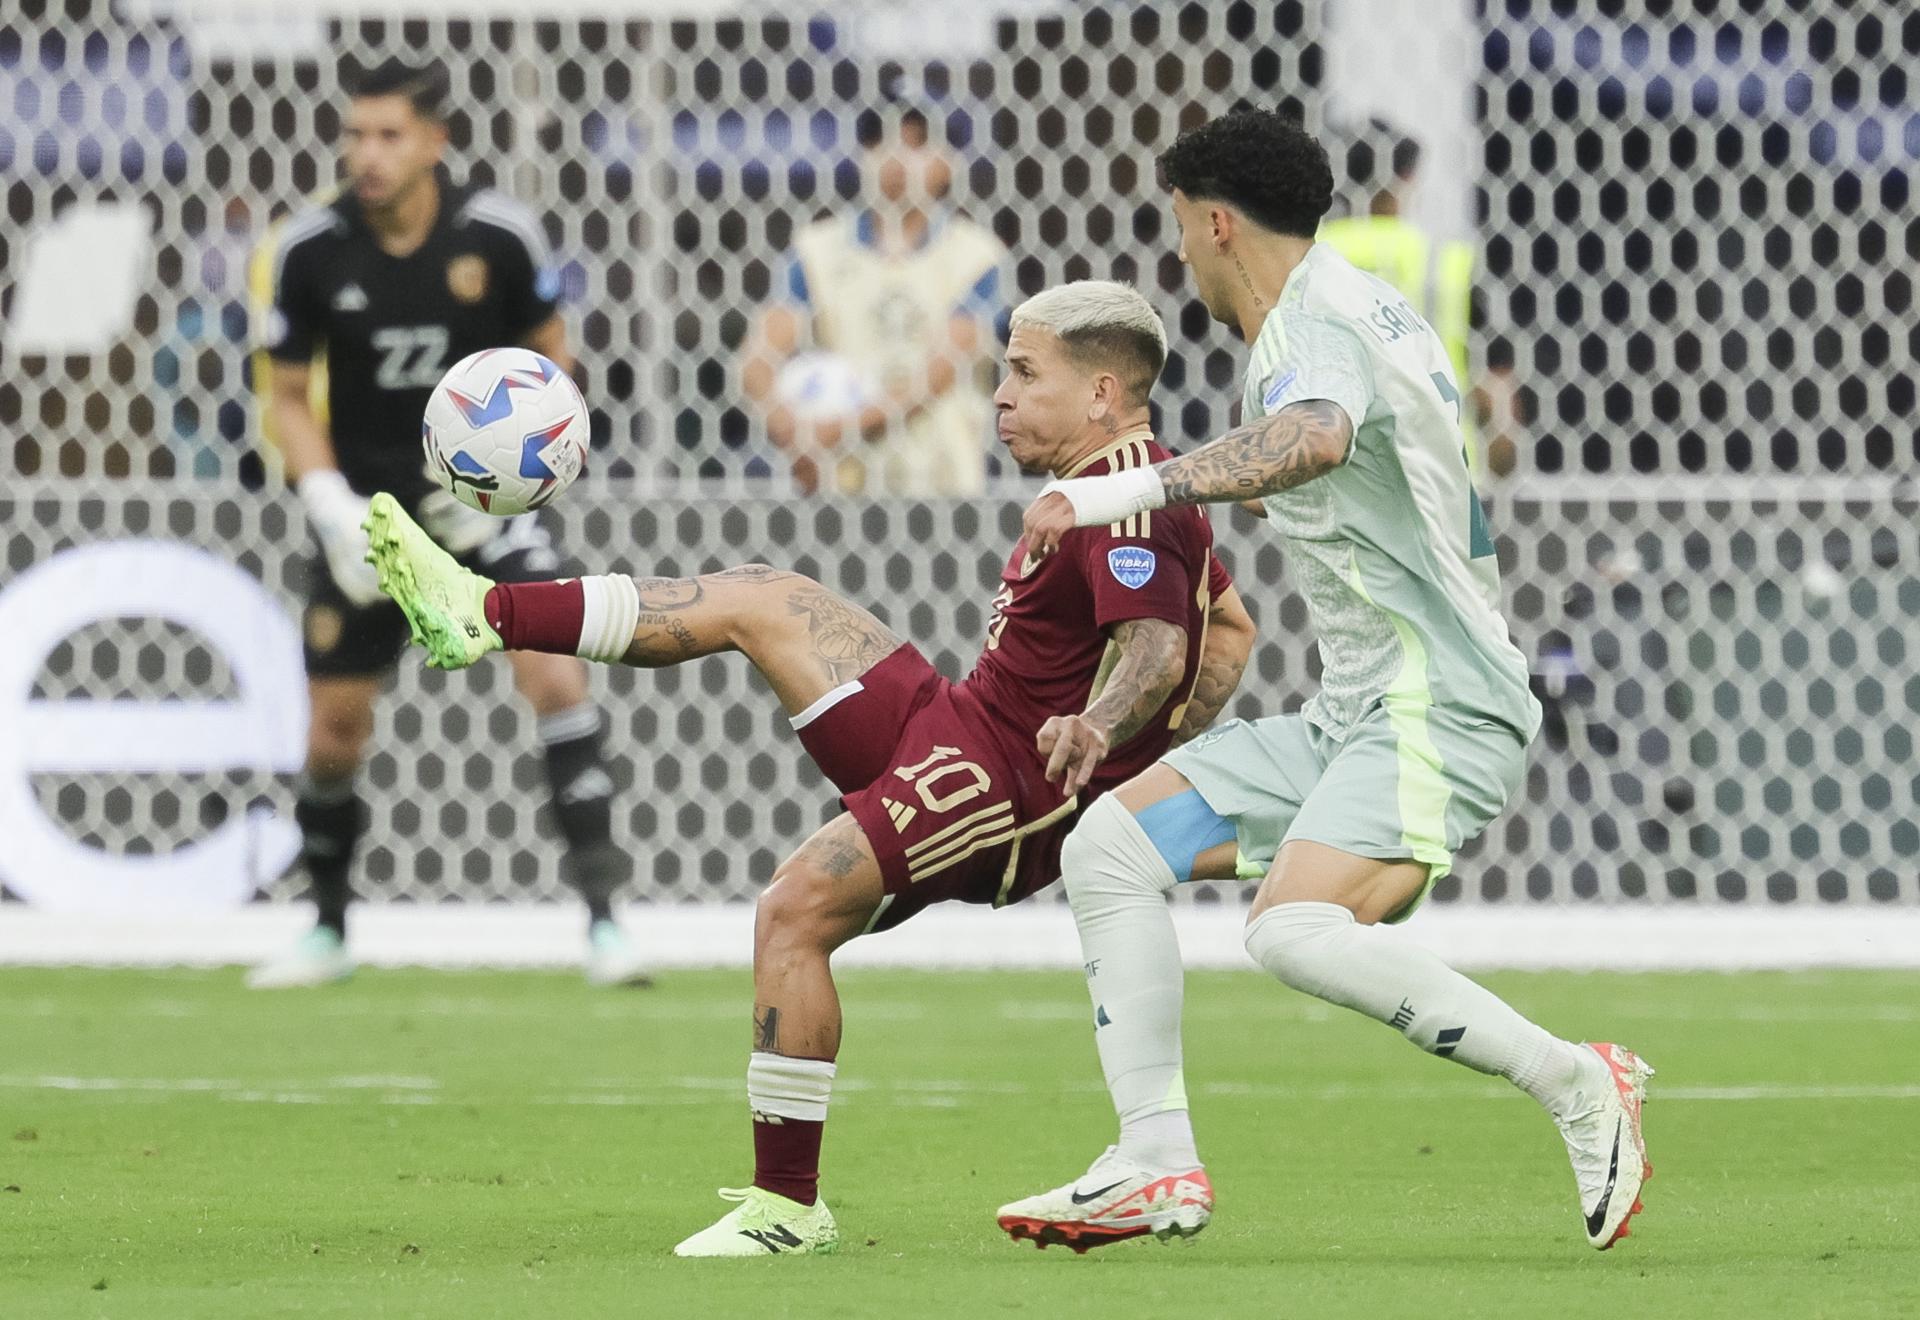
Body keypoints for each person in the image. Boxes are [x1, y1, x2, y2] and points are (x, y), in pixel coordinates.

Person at [362, 281, 1259, 1256]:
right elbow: (1229, 631)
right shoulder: (1132, 482)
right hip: (964, 722)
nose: (998, 393)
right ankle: (482, 613)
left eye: (1022, 372)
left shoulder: (1126, 499)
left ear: (1099, 394)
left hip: (1003, 783)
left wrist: (1098, 737)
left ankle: (787, 1210)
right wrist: (1145, 742)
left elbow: (1160, 648)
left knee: (793, 909)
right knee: (762, 597)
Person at [1002, 110, 1653, 1253]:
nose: (1179, 256)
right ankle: (1152, 1162)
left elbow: (1312, 437)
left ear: (1214, 222)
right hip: (1360, 710)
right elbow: (1347, 469)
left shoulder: (1315, 323)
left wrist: (1114, 494)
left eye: (1178, 230)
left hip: (1438, 702)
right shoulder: (1346, 312)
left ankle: (1580, 1082)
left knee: (1293, 929)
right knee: (1107, 843)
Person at [245, 58, 649, 989]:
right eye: (355, 134)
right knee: (333, 732)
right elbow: (292, 398)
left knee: (556, 676)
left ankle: (605, 925)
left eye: (388, 135)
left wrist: (510, 488)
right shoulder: (311, 249)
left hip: (482, 512)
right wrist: (330, 508)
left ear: (436, 142)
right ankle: (328, 930)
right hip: (367, 518)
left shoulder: (497, 238)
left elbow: (556, 371)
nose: (366, 154)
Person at [738, 103, 1006, 496]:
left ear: (948, 163)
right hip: (842, 486)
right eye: (882, 141)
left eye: (917, 143)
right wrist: (795, 433)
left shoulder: (976, 256)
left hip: (941, 484)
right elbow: (758, 360)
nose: (896, 157)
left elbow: (937, 374)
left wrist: (837, 429)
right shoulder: (817, 250)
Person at [1319, 128, 1524, 476]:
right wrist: (1502, 471)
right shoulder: (1442, 260)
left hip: (1339, 481)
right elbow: (1495, 389)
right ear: (1406, 179)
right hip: (1440, 477)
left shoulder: (1310, 258)